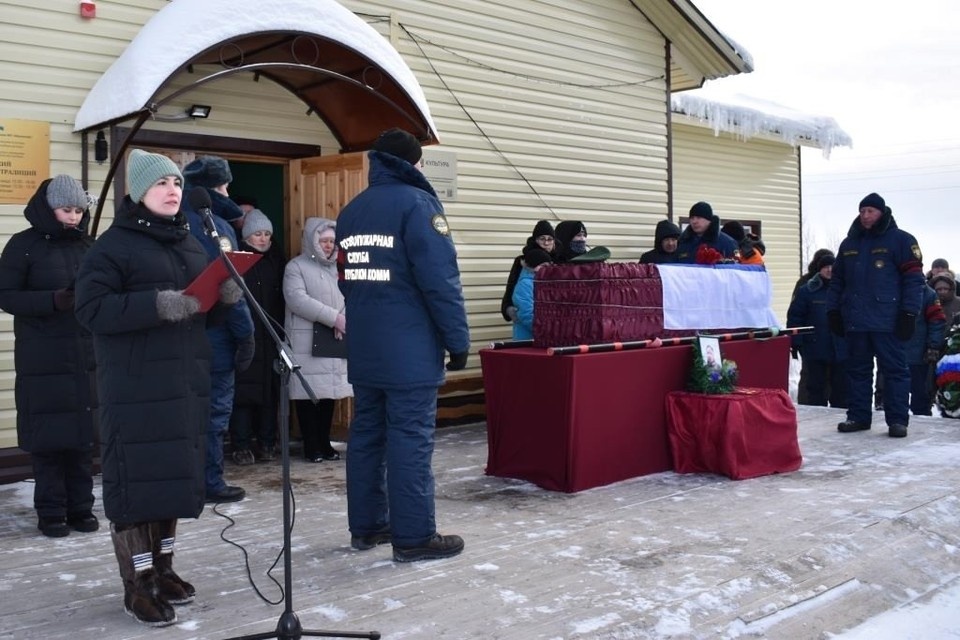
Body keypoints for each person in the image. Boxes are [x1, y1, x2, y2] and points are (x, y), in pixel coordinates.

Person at [74, 149, 231, 626]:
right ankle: (137, 585)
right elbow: (91, 310)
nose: (173, 191)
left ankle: (162, 568)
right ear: (139, 193)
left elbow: (198, 306)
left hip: (183, 385)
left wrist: (221, 296)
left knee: (172, 482)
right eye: (162, 184)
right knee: (137, 486)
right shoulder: (111, 247)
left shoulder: (188, 242)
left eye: (177, 184)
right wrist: (158, 305)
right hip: (135, 388)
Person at [335, 128, 470, 562]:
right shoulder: (418, 205)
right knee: (410, 439)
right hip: (409, 349)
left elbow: (346, 281)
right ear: (413, 164)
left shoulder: (352, 211)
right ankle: (414, 537)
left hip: (366, 345)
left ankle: (368, 526)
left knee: (368, 435)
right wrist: (458, 338)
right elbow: (440, 282)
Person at [0, 175, 98, 538]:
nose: (72, 217)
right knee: (48, 441)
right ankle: (51, 512)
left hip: (84, 354)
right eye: (65, 210)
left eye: (77, 210)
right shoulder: (22, 246)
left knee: (81, 440)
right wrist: (52, 300)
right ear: (48, 207)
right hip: (41, 357)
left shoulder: (89, 245)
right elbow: (6, 295)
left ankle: (81, 507)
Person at [180, 155, 255, 503]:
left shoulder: (173, 219)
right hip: (216, 336)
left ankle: (184, 480)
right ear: (219, 186)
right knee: (213, 413)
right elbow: (230, 286)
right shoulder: (216, 226)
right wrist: (246, 335)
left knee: (183, 411)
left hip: (178, 333)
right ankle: (209, 481)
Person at [827, 192, 925, 438]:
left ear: (882, 212)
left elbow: (914, 281)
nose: (865, 215)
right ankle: (858, 416)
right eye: (862, 211)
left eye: (870, 211)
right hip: (856, 321)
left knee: (895, 371)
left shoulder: (901, 240)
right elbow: (837, 281)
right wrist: (833, 311)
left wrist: (909, 313)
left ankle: (897, 421)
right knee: (857, 371)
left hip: (888, 320)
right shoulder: (849, 244)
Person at [283, 217, 352, 463]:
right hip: (306, 341)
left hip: (333, 337)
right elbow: (297, 299)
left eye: (332, 241)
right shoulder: (296, 267)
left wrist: (343, 318)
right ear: (312, 241)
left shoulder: (339, 268)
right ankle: (311, 446)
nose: (328, 245)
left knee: (327, 396)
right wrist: (334, 318)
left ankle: (325, 443)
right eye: (323, 241)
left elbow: (349, 295)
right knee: (307, 395)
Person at [229, 209, 286, 464]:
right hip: (246, 337)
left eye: (266, 234)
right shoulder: (237, 260)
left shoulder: (276, 260)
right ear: (246, 236)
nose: (263, 239)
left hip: (271, 336)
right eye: (257, 234)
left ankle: (267, 443)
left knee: (269, 394)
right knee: (243, 395)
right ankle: (241, 445)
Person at [786, 254, 847, 408]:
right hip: (815, 347)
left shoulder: (844, 290)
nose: (829, 270)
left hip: (839, 347)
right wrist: (796, 342)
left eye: (832, 267)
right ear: (819, 269)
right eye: (826, 267)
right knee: (815, 388)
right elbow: (795, 317)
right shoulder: (807, 291)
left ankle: (838, 416)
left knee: (840, 389)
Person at [500, 220, 557, 322]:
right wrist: (507, 308)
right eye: (542, 239)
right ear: (535, 240)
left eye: (550, 239)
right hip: (528, 314)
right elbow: (511, 286)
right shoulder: (523, 260)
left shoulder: (558, 259)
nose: (546, 243)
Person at [903, 282, 945, 415]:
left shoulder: (927, 293)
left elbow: (937, 321)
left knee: (920, 394)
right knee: (895, 393)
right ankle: (896, 420)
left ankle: (921, 420)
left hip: (918, 353)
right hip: (895, 351)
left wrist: (933, 346)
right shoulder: (892, 286)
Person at [511, 246, 553, 340]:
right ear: (533, 266)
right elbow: (526, 314)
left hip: (540, 338)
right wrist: (546, 331)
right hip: (527, 339)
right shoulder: (525, 284)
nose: (547, 269)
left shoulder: (542, 282)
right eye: (543, 266)